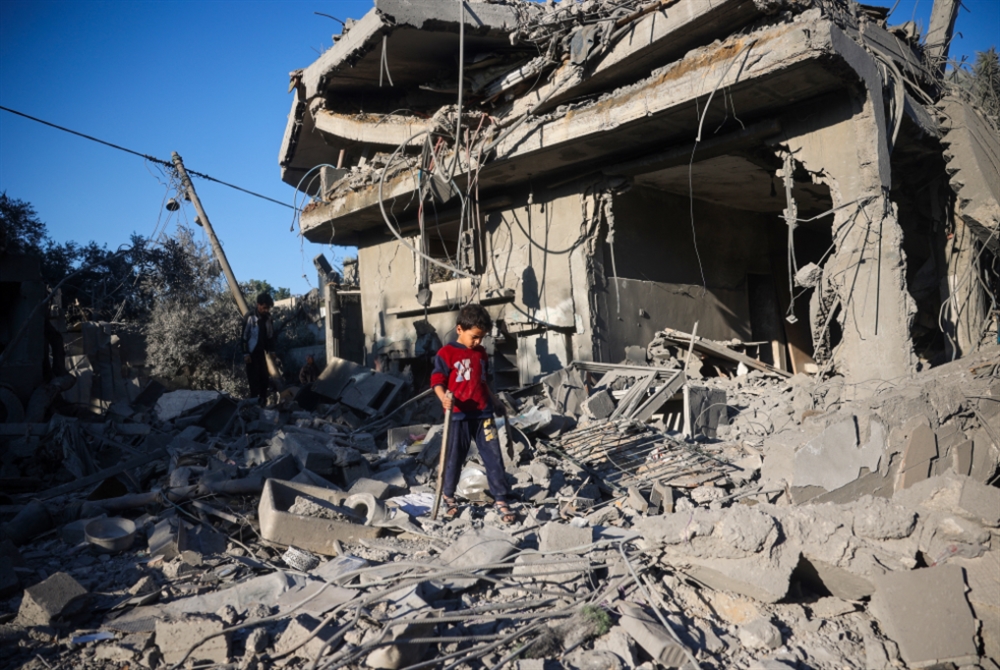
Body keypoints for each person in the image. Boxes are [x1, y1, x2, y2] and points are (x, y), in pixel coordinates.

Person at [430, 303, 515, 524]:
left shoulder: (481, 355)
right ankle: (448, 496)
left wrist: (495, 401)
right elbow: (437, 382)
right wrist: (444, 399)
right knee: (454, 458)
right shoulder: (446, 354)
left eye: (481, 338)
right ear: (460, 329)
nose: (477, 342)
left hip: (483, 415)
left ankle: (500, 498)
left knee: (494, 456)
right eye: (475, 337)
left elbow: (483, 382)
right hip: (457, 416)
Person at [242, 292, 275, 406]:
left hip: (261, 352)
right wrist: (245, 353)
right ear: (258, 305)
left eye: (268, 308)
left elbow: (270, 335)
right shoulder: (250, 317)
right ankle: (254, 405)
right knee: (253, 380)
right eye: (264, 307)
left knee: (264, 379)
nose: (266, 310)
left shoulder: (268, 318)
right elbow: (244, 337)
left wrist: (271, 351)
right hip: (251, 353)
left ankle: (263, 403)